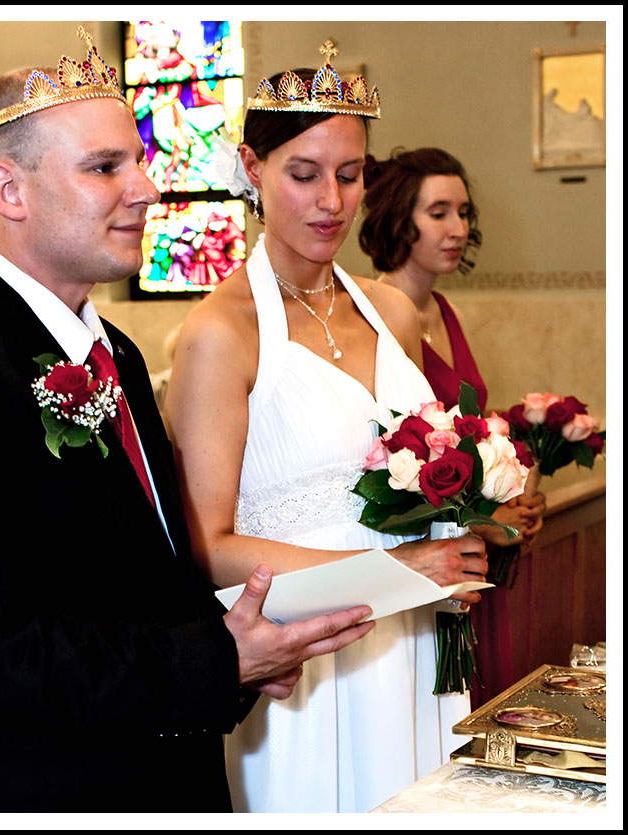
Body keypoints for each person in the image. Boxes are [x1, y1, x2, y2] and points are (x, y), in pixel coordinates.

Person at [0, 28, 376, 813]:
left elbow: (140, 582)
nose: (144, 188)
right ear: (8, 191)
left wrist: (243, 651)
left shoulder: (117, 352)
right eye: (105, 167)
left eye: (136, 161)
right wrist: (212, 661)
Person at [165, 48, 489, 813]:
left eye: (349, 174)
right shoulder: (220, 332)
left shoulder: (393, 311)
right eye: (302, 173)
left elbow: (419, 467)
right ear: (251, 166)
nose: (330, 201)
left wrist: (463, 530)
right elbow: (205, 544)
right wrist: (398, 570)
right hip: (303, 663)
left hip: (412, 642)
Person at [359, 147, 546, 706]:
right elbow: (390, 449)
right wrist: (486, 519)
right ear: (399, 218)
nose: (457, 228)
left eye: (463, 213)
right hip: (429, 553)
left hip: (469, 545)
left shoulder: (443, 309)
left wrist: (511, 493)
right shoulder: (378, 313)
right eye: (438, 212)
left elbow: (468, 430)